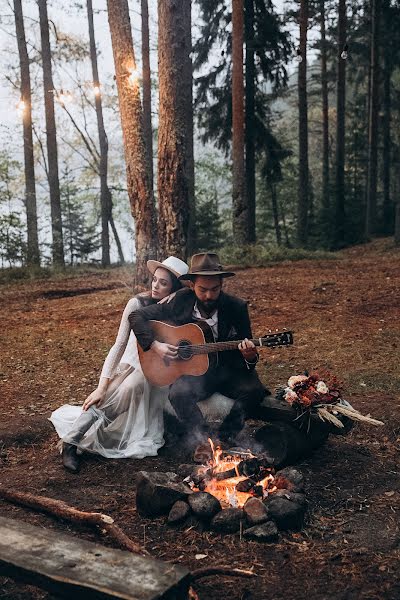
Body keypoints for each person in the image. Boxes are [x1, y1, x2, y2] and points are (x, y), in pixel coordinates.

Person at [49, 256, 189, 473]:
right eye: (154, 280)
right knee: (121, 389)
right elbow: (119, 344)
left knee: (144, 390)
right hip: (132, 365)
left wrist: (178, 296)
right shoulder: (137, 303)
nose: (155, 286)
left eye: (164, 283)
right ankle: (71, 441)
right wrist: (101, 386)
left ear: (175, 288)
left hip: (161, 371)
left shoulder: (179, 309)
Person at [129, 252, 268, 447]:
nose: (209, 295)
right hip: (196, 371)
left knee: (255, 391)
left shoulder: (236, 307)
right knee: (178, 393)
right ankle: (204, 440)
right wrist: (156, 345)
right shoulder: (179, 301)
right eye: (203, 289)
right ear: (192, 285)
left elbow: (248, 354)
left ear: (222, 284)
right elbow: (136, 317)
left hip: (228, 369)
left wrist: (250, 356)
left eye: (215, 289)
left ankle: (225, 436)